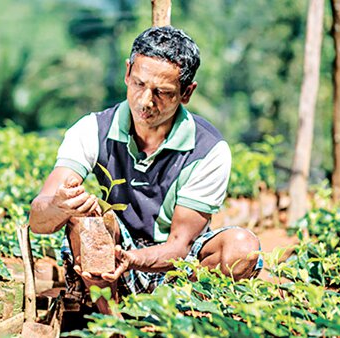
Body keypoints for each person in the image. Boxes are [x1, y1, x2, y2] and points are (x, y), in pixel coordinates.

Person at [29, 26, 262, 313]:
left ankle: (185, 319)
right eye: (138, 84)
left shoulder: (209, 150)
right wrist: (60, 205)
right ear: (127, 73)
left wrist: (133, 259)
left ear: (187, 92)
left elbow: (180, 245)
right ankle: (110, 322)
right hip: (110, 265)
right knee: (84, 220)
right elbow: (38, 221)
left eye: (162, 92)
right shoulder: (91, 130)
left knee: (242, 247)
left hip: (178, 266)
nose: (145, 101)